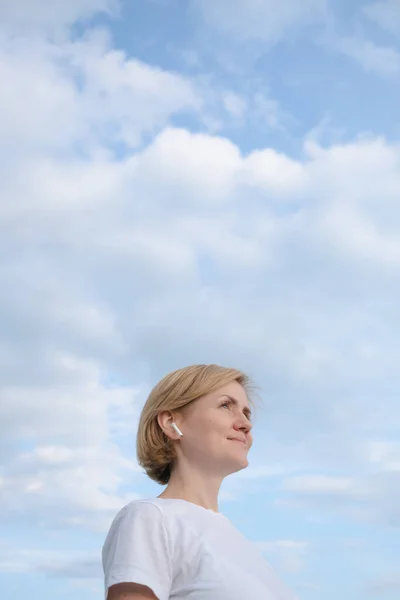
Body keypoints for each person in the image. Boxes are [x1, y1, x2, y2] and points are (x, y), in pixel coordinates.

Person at [102, 364, 297, 600]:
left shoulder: (242, 546)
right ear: (171, 422)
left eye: (247, 413)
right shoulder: (151, 517)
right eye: (226, 405)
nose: (246, 423)